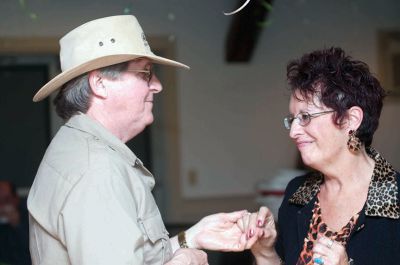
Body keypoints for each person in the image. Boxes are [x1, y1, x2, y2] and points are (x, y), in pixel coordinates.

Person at [28, 15, 251, 265]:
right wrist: (186, 261)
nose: (157, 86)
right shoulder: (97, 170)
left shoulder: (76, 147)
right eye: (146, 73)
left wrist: (192, 237)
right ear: (100, 83)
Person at [240, 47, 400, 265]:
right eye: (293, 119)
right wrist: (264, 252)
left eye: (305, 116)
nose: (293, 131)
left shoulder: (395, 201)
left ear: (351, 120)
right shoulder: (297, 194)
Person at [0, 180, 31, 265]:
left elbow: (32, 250)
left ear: (16, 199)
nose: (2, 206)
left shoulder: (30, 215)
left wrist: (17, 225)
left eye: (6, 200)